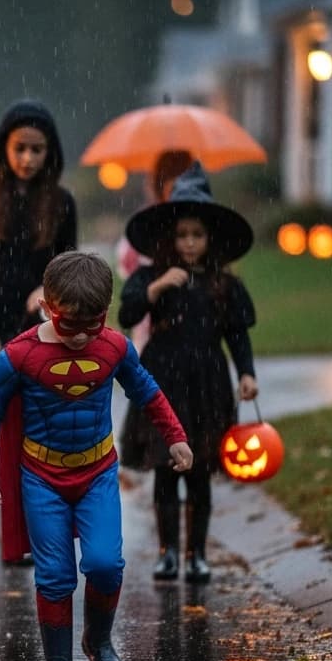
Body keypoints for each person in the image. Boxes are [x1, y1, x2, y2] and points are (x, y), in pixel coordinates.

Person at [0, 251, 192, 661]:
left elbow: (146, 390)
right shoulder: (18, 355)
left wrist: (176, 436)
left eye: (92, 323)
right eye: (69, 324)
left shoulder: (113, 346)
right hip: (41, 477)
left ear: (105, 313)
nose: (80, 336)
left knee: (106, 564)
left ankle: (99, 642)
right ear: (48, 308)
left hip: (97, 473)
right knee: (54, 575)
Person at [0, 100, 78, 566]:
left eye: (37, 150)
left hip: (36, 334)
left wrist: (48, 289)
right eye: (20, 148)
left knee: (33, 438)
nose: (28, 158)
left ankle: (22, 537)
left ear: (51, 153)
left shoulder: (61, 203)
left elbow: (71, 269)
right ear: (5, 148)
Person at [118, 163, 259, 584]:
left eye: (197, 235)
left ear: (209, 238)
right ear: (169, 239)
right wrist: (157, 287)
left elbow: (237, 335)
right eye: (182, 236)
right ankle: (167, 552)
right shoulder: (149, 276)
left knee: (199, 471)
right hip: (162, 382)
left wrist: (246, 373)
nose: (190, 243)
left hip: (208, 383)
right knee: (167, 467)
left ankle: (197, 554)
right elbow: (127, 312)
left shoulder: (223, 284)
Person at [116, 149, 195, 491]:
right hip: (153, 334)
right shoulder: (146, 227)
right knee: (159, 409)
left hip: (194, 346)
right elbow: (128, 267)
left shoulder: (196, 227)